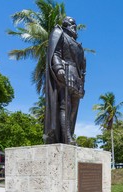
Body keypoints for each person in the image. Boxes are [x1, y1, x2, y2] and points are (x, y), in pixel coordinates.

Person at [44, 16, 86, 145]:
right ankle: (67, 137)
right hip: (65, 72)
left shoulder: (78, 45)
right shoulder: (59, 33)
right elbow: (55, 53)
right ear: (66, 24)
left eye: (75, 24)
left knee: (73, 109)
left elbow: (82, 67)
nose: (74, 26)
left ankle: (69, 134)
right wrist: (58, 68)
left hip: (77, 78)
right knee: (65, 106)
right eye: (72, 23)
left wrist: (82, 83)